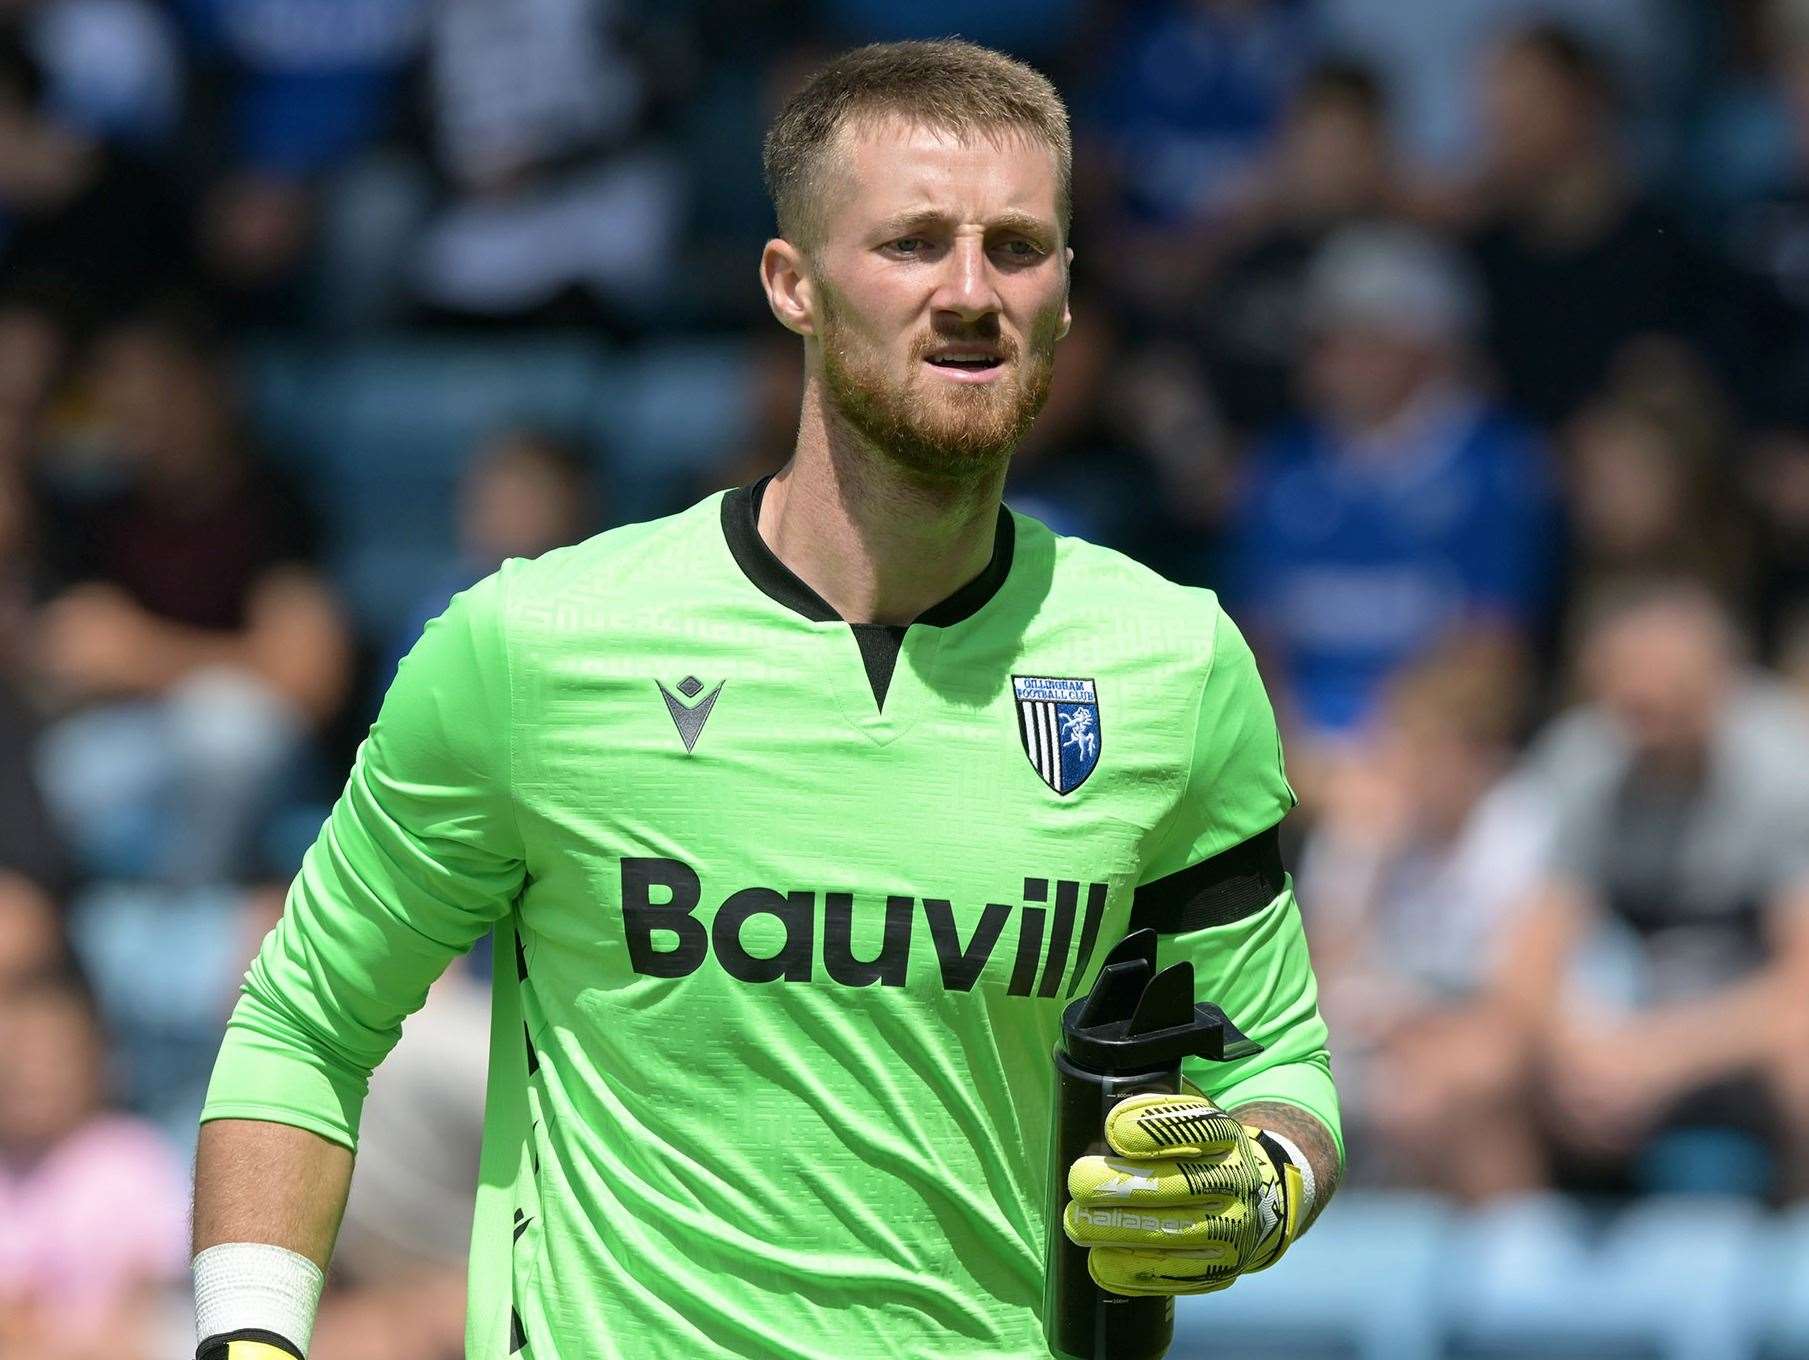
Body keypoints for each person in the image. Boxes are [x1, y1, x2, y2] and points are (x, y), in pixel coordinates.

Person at [191, 40, 1343, 1360]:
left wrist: (1259, 1187)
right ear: (792, 284)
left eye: (1018, 248)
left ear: (1069, 294)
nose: (970, 291)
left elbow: (1276, 1071)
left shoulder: (1172, 662)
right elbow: (299, 1024)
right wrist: (250, 1341)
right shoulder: (534, 647)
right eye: (911, 243)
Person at [1502, 581, 1809, 1200]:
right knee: (1461, 1075)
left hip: (1738, 1036)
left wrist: (1663, 1056)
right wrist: (1581, 1053)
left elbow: (1801, 979)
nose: (1641, 698)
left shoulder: (1783, 765)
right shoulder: (1583, 760)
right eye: (1623, 683)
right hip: (1616, 1037)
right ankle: (1519, 1276)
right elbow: (1527, 960)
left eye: (1663, 681)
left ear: (1720, 681)